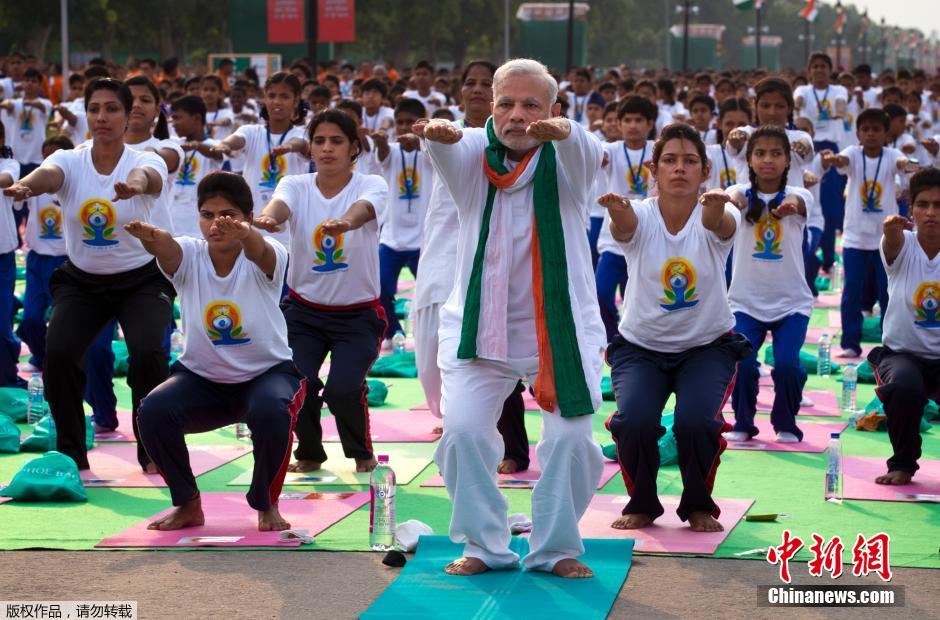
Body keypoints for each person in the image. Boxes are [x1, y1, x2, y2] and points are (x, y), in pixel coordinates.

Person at [419, 58, 606, 579]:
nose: (517, 116)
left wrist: (565, 132)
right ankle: (485, 545)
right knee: (462, 436)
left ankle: (555, 547)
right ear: (491, 107)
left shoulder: (568, 157)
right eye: (506, 103)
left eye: (531, 105)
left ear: (553, 109)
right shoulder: (476, 152)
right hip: (480, 331)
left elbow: (588, 151)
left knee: (571, 442)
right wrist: (438, 138)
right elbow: (452, 148)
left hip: (561, 334)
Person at [3, 78, 174, 471]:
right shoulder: (70, 159)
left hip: (141, 280)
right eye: (95, 108)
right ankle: (71, 453)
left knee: (148, 353)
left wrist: (132, 187)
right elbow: (47, 175)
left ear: (127, 114)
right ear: (86, 114)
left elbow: (148, 178)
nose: (102, 117)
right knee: (59, 354)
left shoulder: (145, 159)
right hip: (83, 281)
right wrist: (25, 187)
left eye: (112, 108)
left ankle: (153, 450)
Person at [132, 171, 304, 531]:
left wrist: (245, 233)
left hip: (266, 376)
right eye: (208, 215)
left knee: (272, 412)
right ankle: (187, 503)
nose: (216, 224)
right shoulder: (190, 254)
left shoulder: (270, 253)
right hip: (201, 380)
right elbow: (167, 246)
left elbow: (258, 249)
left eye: (228, 215)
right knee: (152, 410)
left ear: (246, 216)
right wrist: (153, 238)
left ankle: (266, 503)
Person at [601, 123, 751, 533]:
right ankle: (643, 503)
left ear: (705, 169)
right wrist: (617, 212)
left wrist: (716, 208)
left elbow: (721, 225)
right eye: (670, 160)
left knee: (695, 422)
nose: (679, 169)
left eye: (690, 161)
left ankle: (698, 504)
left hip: (706, 348)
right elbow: (624, 229)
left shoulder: (720, 210)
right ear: (654, 168)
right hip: (640, 348)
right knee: (633, 422)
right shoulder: (639, 213)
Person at [413, 59, 531, 472]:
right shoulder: (448, 133)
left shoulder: (521, 139)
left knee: (494, 349)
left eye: (487, 84)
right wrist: (434, 136)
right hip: (444, 250)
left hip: (495, 257)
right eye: (471, 83)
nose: (478, 90)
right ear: (460, 91)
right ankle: (462, 421)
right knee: (430, 356)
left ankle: (512, 448)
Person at [255, 109, 388, 474]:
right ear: (310, 147)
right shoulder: (295, 184)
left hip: (358, 315)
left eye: (336, 141)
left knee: (343, 390)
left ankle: (361, 452)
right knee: (301, 382)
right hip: (304, 312)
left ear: (353, 148)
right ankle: (310, 453)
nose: (327, 149)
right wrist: (269, 219)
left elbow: (362, 211)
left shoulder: (371, 184)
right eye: (319, 141)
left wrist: (344, 222)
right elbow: (279, 206)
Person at [722, 126, 814, 444]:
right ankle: (743, 423)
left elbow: (795, 201)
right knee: (744, 364)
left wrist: (787, 205)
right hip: (745, 302)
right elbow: (733, 200)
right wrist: (727, 200)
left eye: (776, 153)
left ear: (788, 160)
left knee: (788, 364)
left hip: (792, 304)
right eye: (760, 153)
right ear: (749, 159)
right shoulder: (739, 194)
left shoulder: (801, 195)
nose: (768, 160)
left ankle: (786, 421)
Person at [867, 168, 940, 485]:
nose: (931, 213)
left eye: (939, 205)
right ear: (911, 209)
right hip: (902, 355)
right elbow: (891, 241)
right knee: (905, 388)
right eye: (923, 204)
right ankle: (902, 463)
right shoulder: (902, 244)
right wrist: (891, 229)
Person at [821, 108, 914, 358]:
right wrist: (833, 159)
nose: (871, 134)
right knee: (852, 291)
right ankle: (850, 343)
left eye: (877, 130)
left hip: (886, 241)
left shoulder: (892, 154)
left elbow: (903, 164)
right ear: (859, 133)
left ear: (886, 133)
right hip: (854, 238)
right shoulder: (852, 153)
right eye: (866, 129)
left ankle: (890, 344)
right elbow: (842, 162)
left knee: (888, 292)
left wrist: (909, 163)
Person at [212, 72, 309, 248]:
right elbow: (236, 139)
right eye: (271, 96)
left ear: (296, 101)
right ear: (264, 99)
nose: (277, 102)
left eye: (284, 96)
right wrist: (225, 145)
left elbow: (301, 143)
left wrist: (289, 147)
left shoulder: (302, 134)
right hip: (252, 226)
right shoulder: (251, 131)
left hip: (289, 231)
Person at [595, 96, 657, 341]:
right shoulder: (609, 149)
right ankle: (613, 340)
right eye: (627, 120)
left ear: (650, 123)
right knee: (601, 294)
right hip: (613, 241)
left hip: (646, 238)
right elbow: (594, 153)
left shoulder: (658, 150)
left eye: (639, 120)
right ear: (618, 124)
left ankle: (640, 344)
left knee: (643, 302)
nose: (633, 125)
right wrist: (597, 158)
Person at [372, 98, 432, 346]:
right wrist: (380, 141)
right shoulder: (391, 151)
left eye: (411, 122)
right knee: (382, 288)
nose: (405, 127)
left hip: (424, 239)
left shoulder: (432, 150)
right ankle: (392, 331)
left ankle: (430, 337)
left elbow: (430, 145)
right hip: (392, 238)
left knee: (431, 293)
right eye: (400, 122)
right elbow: (383, 153)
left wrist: (422, 141)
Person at [795, 53, 848, 273]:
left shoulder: (838, 90)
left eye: (823, 66)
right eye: (815, 66)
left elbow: (840, 105)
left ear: (829, 70)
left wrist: (840, 112)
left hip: (829, 149)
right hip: (806, 145)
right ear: (809, 70)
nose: (819, 70)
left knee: (829, 206)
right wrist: (796, 109)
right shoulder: (803, 91)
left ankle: (827, 259)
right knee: (804, 202)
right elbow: (797, 104)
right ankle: (807, 259)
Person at [170, 96, 223, 238]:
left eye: (177, 118)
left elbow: (218, 154)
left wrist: (197, 146)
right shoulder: (173, 144)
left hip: (199, 230)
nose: (173, 124)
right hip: (172, 226)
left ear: (196, 118)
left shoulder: (215, 144)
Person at [0, 122, 22, 388]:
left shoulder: (9, 165)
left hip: (3, 258)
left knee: (2, 327)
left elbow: (7, 181)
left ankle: (8, 379)